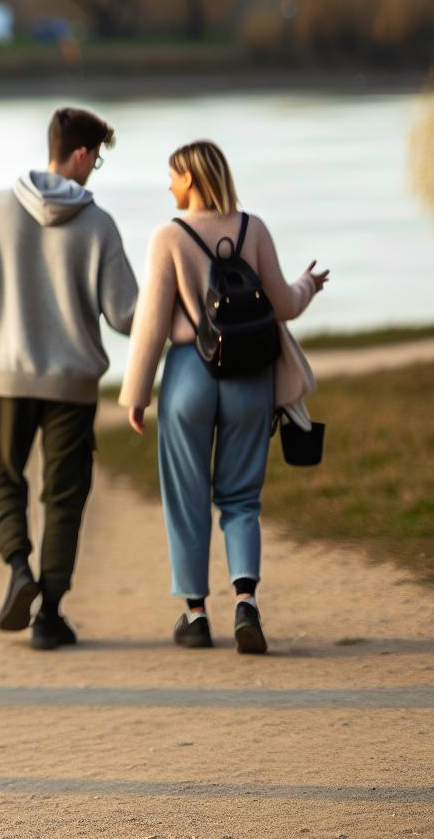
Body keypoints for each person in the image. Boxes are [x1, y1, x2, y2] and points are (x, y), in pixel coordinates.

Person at [119, 140, 329, 654]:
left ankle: (194, 616)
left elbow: (151, 323)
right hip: (249, 378)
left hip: (189, 375)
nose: (168, 184)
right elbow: (284, 305)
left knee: (186, 497)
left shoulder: (169, 236)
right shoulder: (253, 228)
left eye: (173, 175)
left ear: (190, 178)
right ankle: (245, 604)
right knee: (241, 498)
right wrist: (308, 284)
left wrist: (137, 394)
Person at [0, 107, 139, 650]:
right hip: (72, 387)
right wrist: (177, 305)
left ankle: (18, 569)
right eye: (95, 159)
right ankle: (49, 616)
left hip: (5, 379)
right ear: (80, 153)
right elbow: (126, 316)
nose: (94, 170)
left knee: (1, 476)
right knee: (65, 497)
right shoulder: (99, 224)